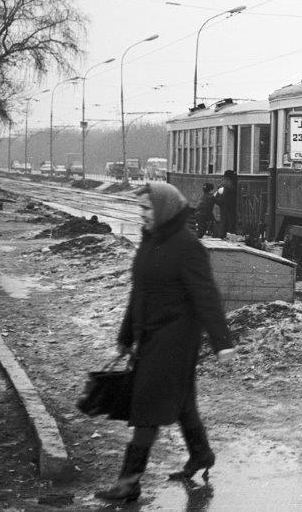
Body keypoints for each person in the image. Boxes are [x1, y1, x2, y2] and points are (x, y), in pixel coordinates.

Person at [96, 182, 235, 502]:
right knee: (182, 399)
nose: (142, 215)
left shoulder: (187, 246)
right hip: (151, 335)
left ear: (164, 209)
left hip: (176, 339)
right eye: (141, 209)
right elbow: (138, 293)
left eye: (147, 209)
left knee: (148, 405)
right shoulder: (150, 241)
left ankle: (129, 481)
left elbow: (207, 296)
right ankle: (201, 453)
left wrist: (222, 342)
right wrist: (125, 336)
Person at [214, 170, 238, 238]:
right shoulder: (228, 183)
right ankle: (222, 235)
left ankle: (222, 234)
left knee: (223, 220)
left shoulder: (223, 183)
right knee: (225, 220)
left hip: (222, 203)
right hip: (225, 204)